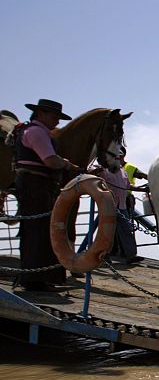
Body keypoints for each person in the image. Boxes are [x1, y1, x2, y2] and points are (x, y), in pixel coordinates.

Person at [14, 99, 81, 291]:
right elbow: (50, 160)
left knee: (43, 230)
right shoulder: (37, 132)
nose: (57, 122)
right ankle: (35, 280)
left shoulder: (37, 131)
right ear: (41, 113)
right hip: (35, 185)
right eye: (54, 117)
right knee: (39, 231)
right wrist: (68, 165)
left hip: (38, 185)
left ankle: (42, 279)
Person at [92, 151, 145, 264]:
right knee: (107, 231)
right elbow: (91, 171)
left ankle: (130, 255)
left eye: (119, 157)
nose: (118, 158)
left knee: (126, 229)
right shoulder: (103, 168)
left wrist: (142, 189)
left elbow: (127, 185)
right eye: (116, 156)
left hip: (122, 205)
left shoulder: (122, 171)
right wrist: (97, 171)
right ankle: (103, 254)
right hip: (108, 205)